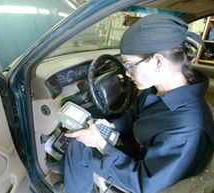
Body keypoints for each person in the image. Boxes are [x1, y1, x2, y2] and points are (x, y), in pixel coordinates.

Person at [53, 14, 214, 193]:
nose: (127, 74)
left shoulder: (187, 129)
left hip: (143, 175)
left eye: (129, 65)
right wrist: (112, 125)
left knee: (80, 146)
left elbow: (143, 183)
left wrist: (101, 145)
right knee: (93, 125)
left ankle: (73, 185)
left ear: (158, 61)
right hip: (141, 146)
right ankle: (73, 177)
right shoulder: (159, 89)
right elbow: (136, 115)